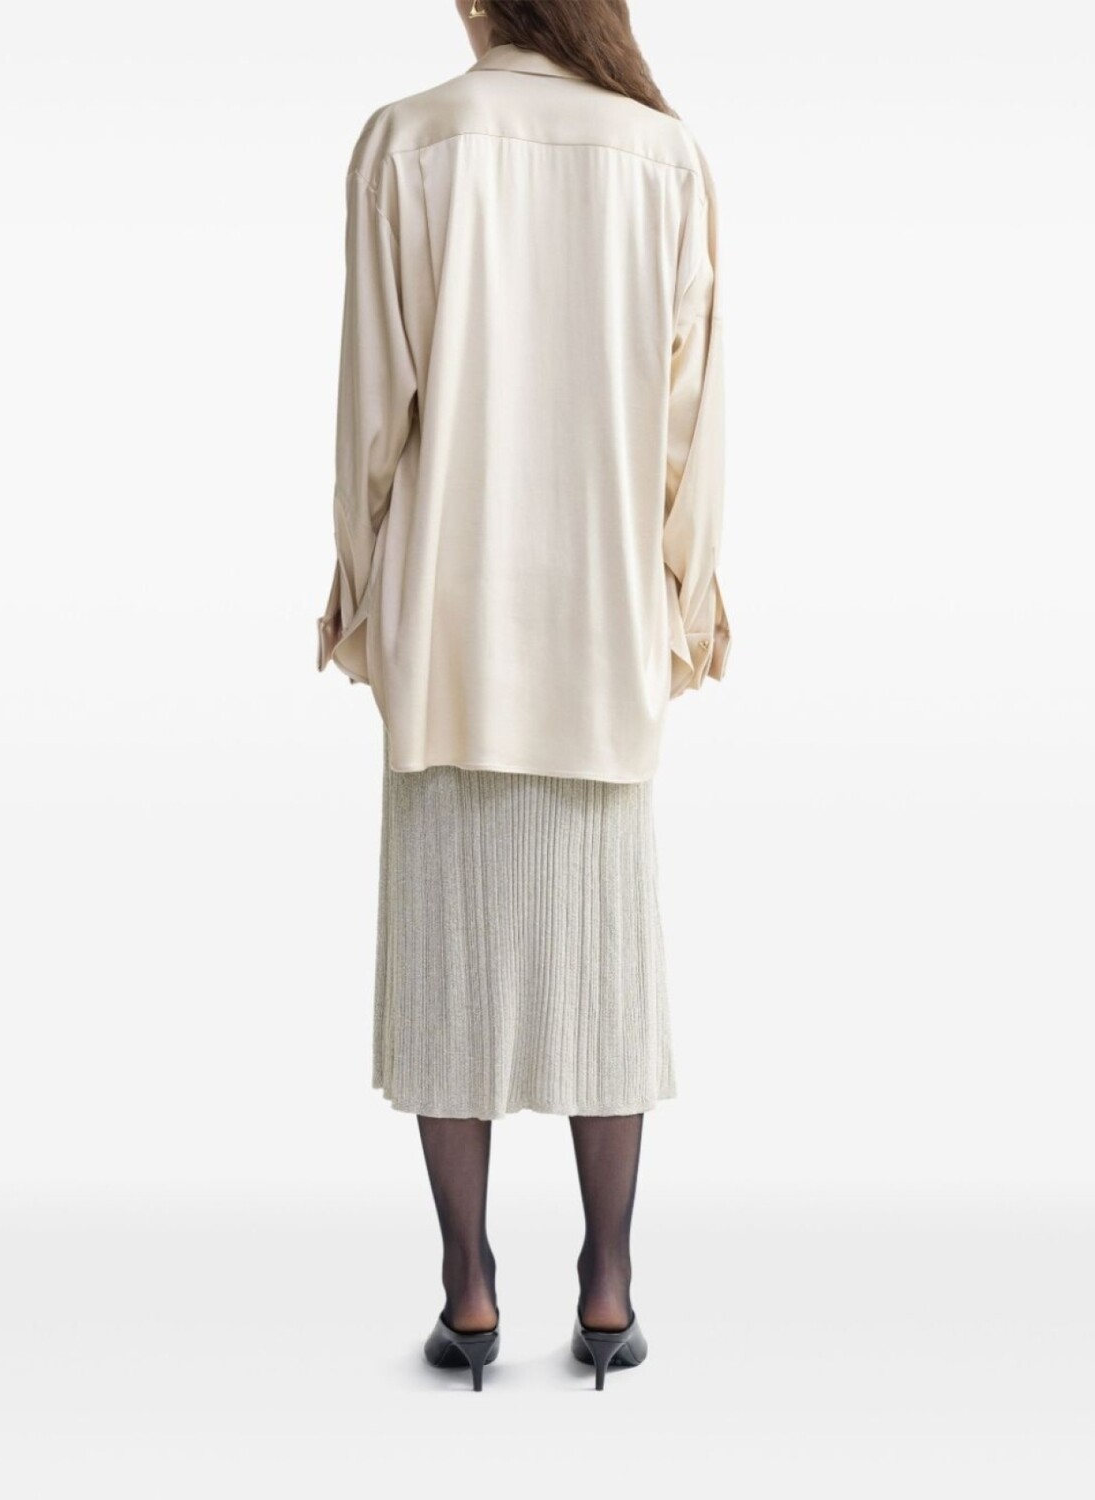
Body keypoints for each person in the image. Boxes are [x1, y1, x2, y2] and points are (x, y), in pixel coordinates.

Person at [315, 0, 731, 1392]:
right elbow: (689, 425)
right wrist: (685, 605)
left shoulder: (407, 141)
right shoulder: (663, 156)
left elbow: (372, 415)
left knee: (448, 961)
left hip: (450, 621)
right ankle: (607, 1291)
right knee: (603, 960)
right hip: (601, 624)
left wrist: (354, 587)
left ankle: (470, 1293)